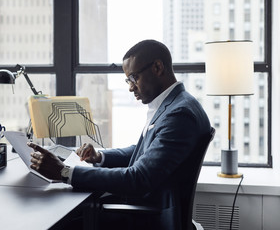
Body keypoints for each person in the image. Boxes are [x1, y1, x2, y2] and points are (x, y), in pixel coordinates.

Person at [27, 39, 211, 229]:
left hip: (149, 218)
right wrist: (100, 157)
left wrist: (65, 172)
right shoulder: (175, 104)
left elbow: (138, 179)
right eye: (128, 80)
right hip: (145, 207)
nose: (131, 87)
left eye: (134, 78)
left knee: (59, 223)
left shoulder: (179, 114)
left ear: (157, 67)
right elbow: (145, 151)